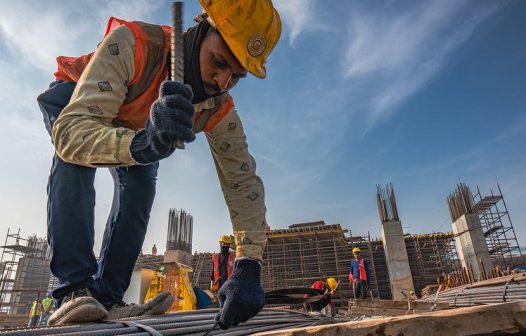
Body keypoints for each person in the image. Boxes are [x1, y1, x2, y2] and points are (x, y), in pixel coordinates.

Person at [37, 0, 281, 329]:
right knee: (73, 164)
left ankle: (108, 297)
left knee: (140, 188)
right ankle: (74, 290)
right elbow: (72, 134)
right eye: (219, 62)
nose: (222, 81)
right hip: (79, 104)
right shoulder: (134, 44)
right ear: (202, 30)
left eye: (236, 76)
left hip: (138, 129)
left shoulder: (216, 107)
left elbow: (243, 183)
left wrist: (249, 263)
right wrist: (143, 143)